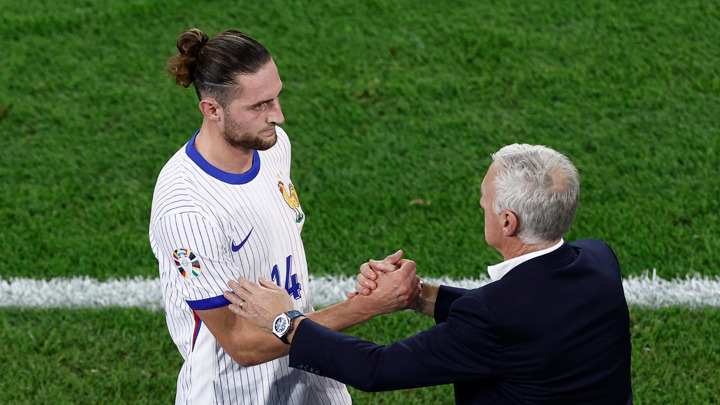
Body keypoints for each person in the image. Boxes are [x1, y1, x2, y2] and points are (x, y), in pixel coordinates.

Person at [225, 144, 633, 404]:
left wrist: (286, 321)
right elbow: (528, 316)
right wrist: (418, 295)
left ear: (508, 222)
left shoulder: (494, 316)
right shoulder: (599, 260)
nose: (480, 203)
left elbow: (376, 369)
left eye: (484, 199)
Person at [149, 28, 419, 404]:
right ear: (212, 110)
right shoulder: (187, 211)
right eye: (259, 106)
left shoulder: (273, 147)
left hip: (310, 373)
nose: (278, 116)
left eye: (276, 97)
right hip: (238, 394)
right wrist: (366, 306)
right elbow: (241, 345)